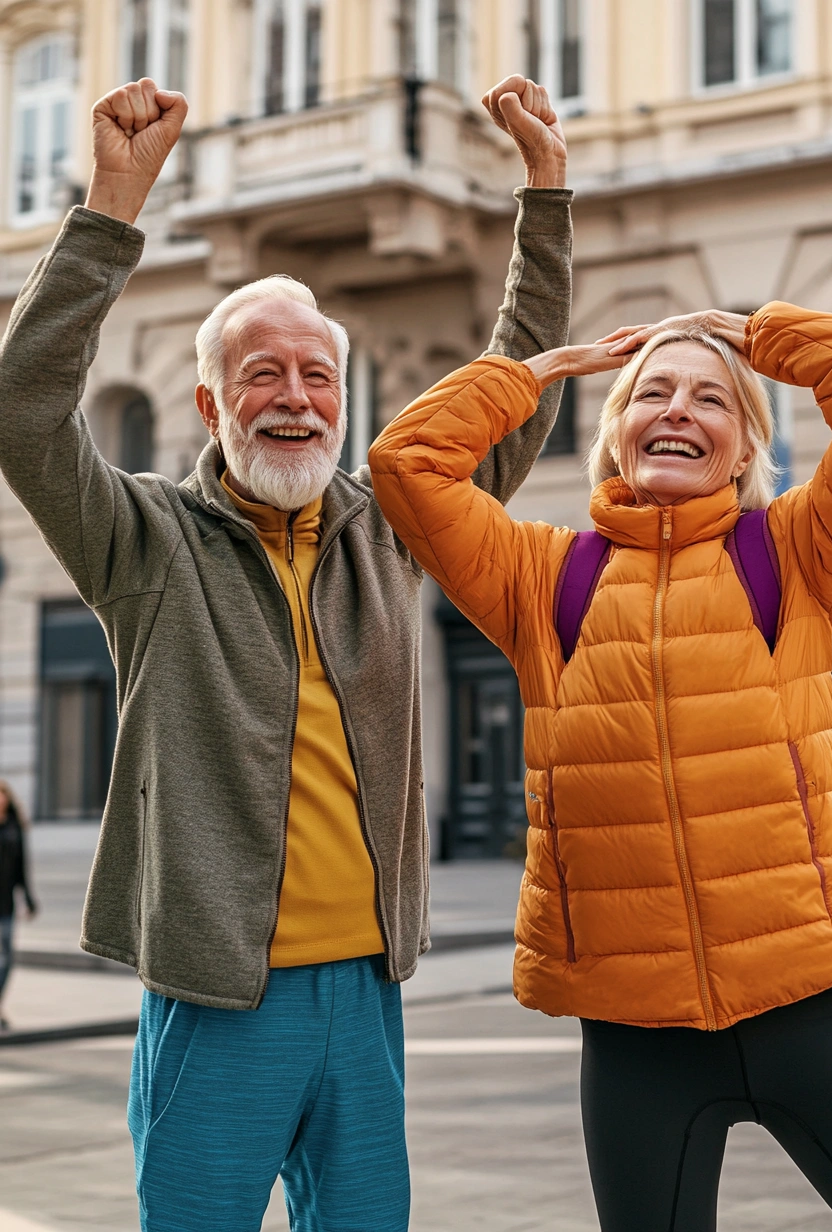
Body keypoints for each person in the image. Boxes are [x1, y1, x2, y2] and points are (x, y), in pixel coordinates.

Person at [0, 74, 573, 1231]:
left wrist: (545, 196)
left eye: (318, 374)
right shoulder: (146, 542)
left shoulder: (392, 528)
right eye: (261, 372)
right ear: (211, 406)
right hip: (218, 1004)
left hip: (365, 997)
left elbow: (512, 394)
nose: (295, 398)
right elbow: (20, 406)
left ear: (345, 401)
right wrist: (111, 207)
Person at [369, 304, 832, 1229]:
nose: (678, 409)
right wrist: (537, 370)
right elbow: (406, 464)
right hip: (636, 1040)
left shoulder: (794, 556)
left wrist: (760, 335)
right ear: (616, 436)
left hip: (816, 1009)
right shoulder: (542, 579)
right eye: (651, 393)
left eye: (712, 399)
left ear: (746, 449)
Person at [0, 780, 38, 1031]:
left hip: (6, 905)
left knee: (7, 960)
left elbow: (22, 866)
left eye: (2, 796)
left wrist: (29, 899)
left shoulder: (15, 827)